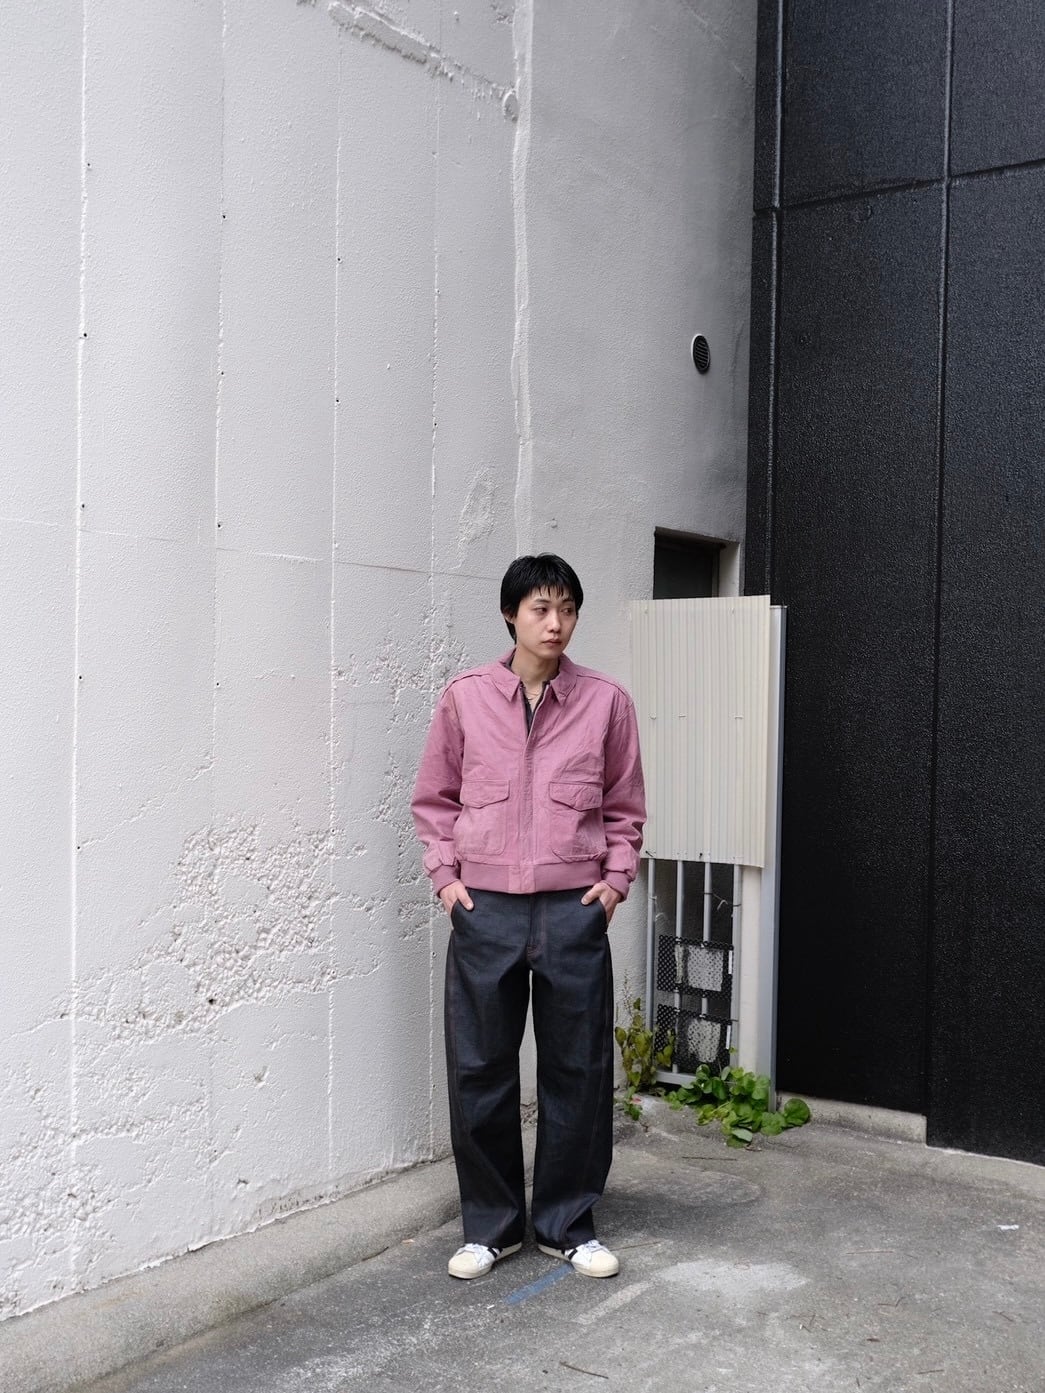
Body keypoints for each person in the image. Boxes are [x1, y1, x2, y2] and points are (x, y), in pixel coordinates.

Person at [411, 554, 646, 1281]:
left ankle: (567, 1224)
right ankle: (491, 1226)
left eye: (567, 609)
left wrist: (614, 883)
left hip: (573, 910)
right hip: (485, 911)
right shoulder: (465, 698)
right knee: (479, 1068)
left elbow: (625, 806)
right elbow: (434, 800)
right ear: (510, 614)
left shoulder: (605, 702)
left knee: (578, 1068)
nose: (556, 623)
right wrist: (447, 881)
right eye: (541, 608)